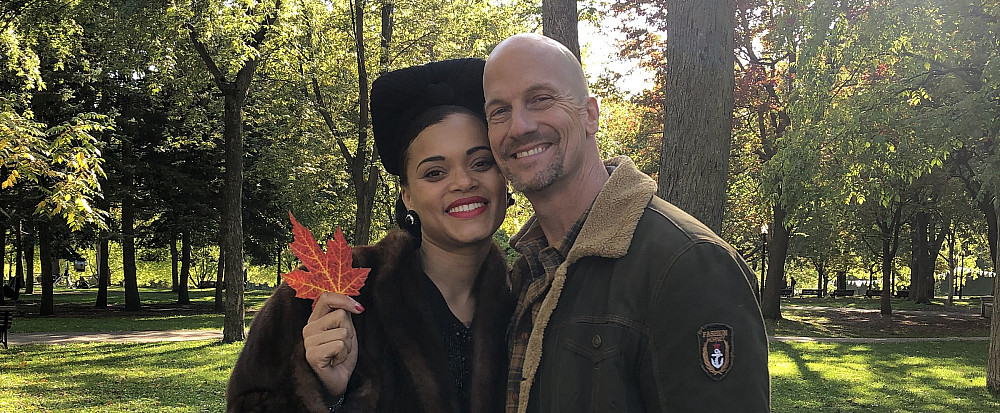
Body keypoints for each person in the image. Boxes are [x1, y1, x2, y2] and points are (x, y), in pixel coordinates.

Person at [482, 33, 771, 412]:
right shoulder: (527, 276)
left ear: (590, 115)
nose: (518, 126)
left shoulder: (689, 265)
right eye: (499, 111)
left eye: (541, 99)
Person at [227, 58, 514, 413]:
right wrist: (327, 392)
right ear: (407, 196)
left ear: (504, 176)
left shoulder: (528, 300)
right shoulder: (326, 296)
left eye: (481, 163)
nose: (463, 182)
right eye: (435, 172)